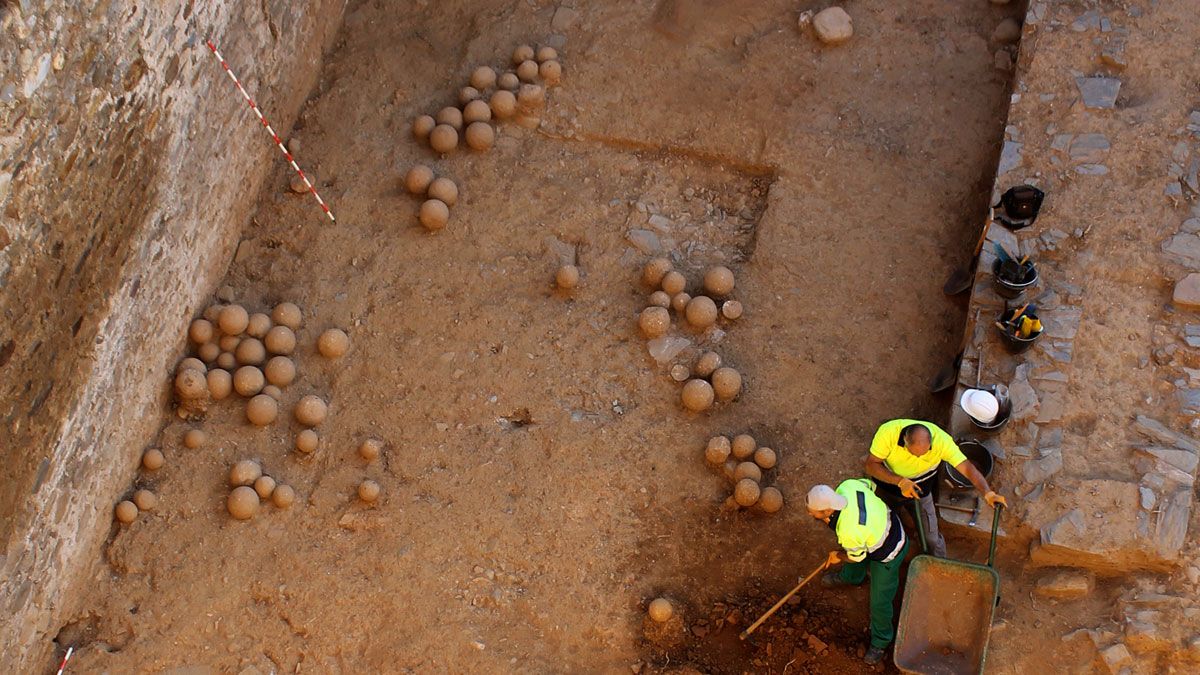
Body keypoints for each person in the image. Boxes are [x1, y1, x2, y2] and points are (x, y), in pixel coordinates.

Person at [863, 419, 1007, 557]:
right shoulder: (888, 433)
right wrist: (900, 482)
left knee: (931, 539)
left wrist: (988, 493)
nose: (919, 458)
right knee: (884, 529)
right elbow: (871, 465)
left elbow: (968, 468)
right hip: (888, 488)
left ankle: (937, 566)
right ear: (905, 442)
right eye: (914, 454)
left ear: (931, 442)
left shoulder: (942, 441)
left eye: (925, 452)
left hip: (921, 491)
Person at [807, 479, 908, 665]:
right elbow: (871, 486)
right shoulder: (847, 486)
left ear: (827, 511)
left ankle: (881, 641)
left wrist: (838, 555)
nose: (808, 513)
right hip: (882, 525)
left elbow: (857, 558)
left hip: (890, 549)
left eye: (812, 512)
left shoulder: (849, 531)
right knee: (853, 548)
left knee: (880, 601)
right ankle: (852, 577)